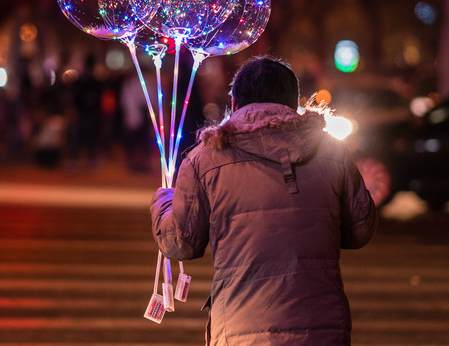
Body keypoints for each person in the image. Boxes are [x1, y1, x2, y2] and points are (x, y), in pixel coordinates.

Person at [150, 56, 378, 345]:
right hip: (322, 328)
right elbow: (360, 230)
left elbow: (181, 242)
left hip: (241, 330)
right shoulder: (333, 151)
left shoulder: (204, 159)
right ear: (294, 103)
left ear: (234, 105)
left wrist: (163, 202)